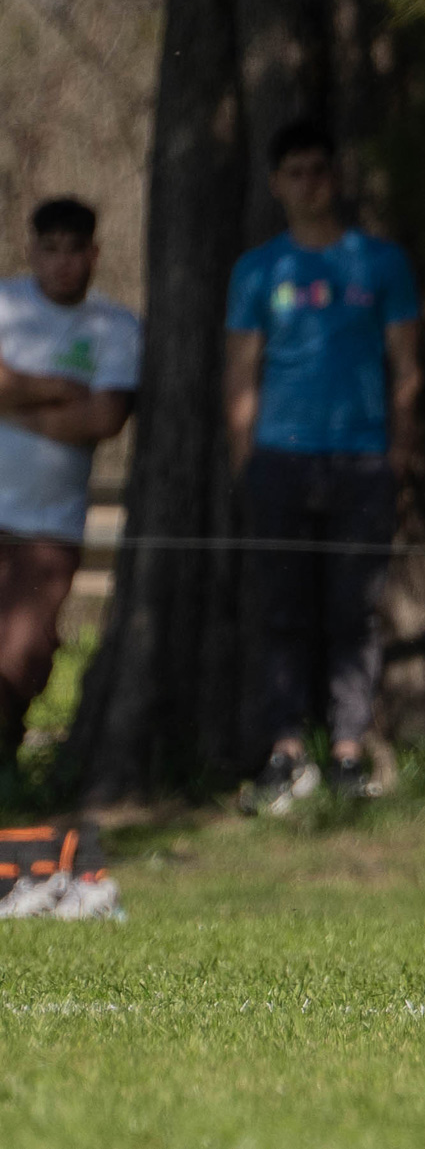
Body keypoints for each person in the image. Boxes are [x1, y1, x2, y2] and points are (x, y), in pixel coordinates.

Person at [224, 121, 421, 812]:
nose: (310, 183)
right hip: (280, 458)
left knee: (351, 611)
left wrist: (395, 451)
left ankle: (345, 746)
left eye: (320, 169)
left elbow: (405, 365)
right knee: (283, 610)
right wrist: (246, 453)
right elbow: (242, 369)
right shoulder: (257, 270)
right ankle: (282, 749)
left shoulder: (381, 264)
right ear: (278, 185)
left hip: (360, 461)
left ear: (337, 177)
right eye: (296, 172)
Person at [0, 198, 137, 920]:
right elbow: (73, 407)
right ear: (33, 250)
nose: (60, 260)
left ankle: (6, 767)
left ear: (93, 252)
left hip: (48, 523)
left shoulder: (115, 326)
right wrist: (56, 391)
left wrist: (14, 396)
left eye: (72, 248)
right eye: (47, 247)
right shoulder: (5, 304)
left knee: (22, 653)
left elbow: (104, 418)